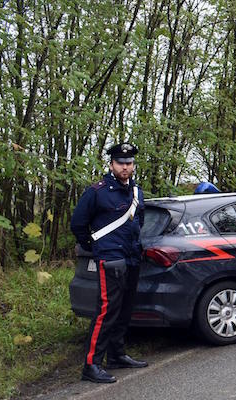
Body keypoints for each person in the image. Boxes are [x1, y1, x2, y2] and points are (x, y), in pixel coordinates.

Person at [70, 142, 148, 383]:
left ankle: (116, 355)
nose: (125, 167)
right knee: (106, 312)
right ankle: (91, 365)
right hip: (110, 258)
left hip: (132, 257)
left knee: (124, 310)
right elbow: (78, 224)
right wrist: (97, 248)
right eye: (121, 163)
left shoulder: (136, 192)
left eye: (129, 163)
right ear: (112, 164)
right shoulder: (97, 191)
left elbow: (139, 221)